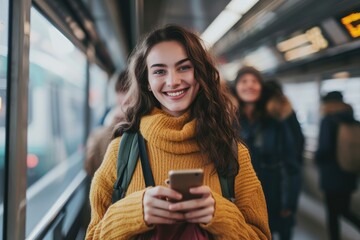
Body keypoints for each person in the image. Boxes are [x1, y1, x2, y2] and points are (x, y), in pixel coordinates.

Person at [85, 25, 271, 239]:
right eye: (159, 71)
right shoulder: (121, 152)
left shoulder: (233, 152)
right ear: (147, 82)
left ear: (200, 75)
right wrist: (135, 212)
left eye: (184, 67)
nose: (173, 81)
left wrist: (219, 214)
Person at [233, 66, 300, 240]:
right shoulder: (228, 121)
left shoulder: (275, 119)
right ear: (236, 87)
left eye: (254, 81)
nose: (249, 85)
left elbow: (290, 164)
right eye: (244, 81)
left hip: (275, 193)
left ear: (261, 87)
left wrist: (289, 202)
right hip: (243, 197)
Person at [315, 91, 360, 240]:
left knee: (333, 213)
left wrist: (318, 159)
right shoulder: (353, 120)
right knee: (344, 209)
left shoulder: (328, 120)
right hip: (349, 172)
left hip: (331, 175)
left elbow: (324, 148)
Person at [84, 70, 130, 177]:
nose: (124, 98)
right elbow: (90, 164)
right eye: (120, 92)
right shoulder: (107, 116)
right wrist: (112, 125)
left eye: (128, 92)